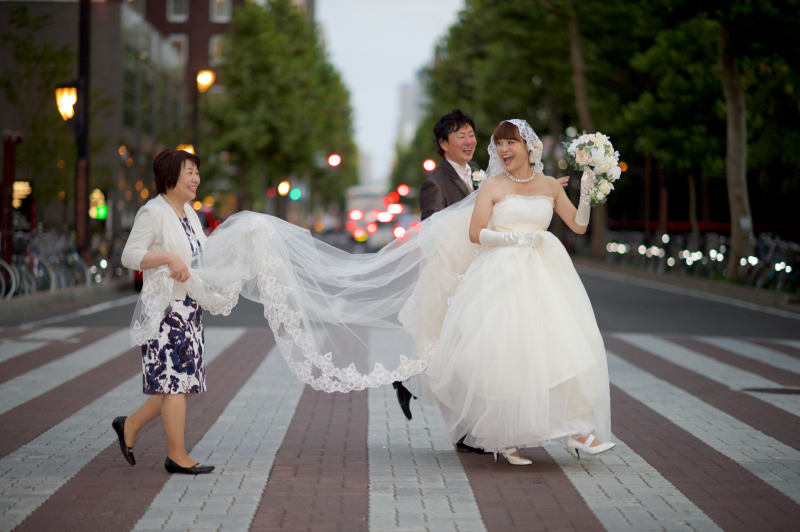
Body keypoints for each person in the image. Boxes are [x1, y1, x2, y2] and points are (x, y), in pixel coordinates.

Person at [419, 119, 614, 465]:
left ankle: (577, 430)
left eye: (510, 143)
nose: (503, 150)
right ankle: (503, 436)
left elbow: (579, 225)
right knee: (507, 354)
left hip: (544, 274)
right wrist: (513, 239)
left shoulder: (550, 185)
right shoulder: (492, 185)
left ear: (528, 147)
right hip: (501, 274)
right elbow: (475, 232)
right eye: (499, 145)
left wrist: (585, 191)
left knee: (556, 349)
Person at [115, 148, 214, 475]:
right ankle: (177, 455)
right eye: (189, 172)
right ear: (170, 176)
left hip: (189, 309)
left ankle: (128, 426)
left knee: (178, 384)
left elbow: (199, 256)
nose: (196, 178)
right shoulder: (153, 211)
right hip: (166, 313)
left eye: (197, 173)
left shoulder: (189, 212)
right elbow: (131, 256)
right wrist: (168, 259)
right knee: (174, 385)